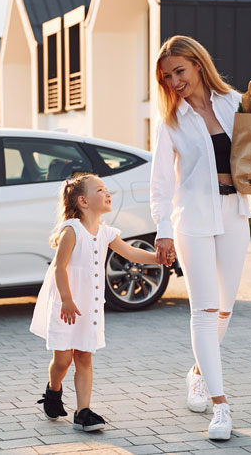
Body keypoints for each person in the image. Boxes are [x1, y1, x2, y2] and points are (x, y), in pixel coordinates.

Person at [150, 35, 251, 440]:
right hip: (191, 218)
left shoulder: (234, 103)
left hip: (234, 213)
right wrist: (163, 233)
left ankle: (196, 372)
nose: (175, 81)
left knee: (226, 308)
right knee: (204, 310)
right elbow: (160, 184)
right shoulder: (170, 121)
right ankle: (220, 405)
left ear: (198, 64)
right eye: (166, 76)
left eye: (180, 71)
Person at [31, 173, 167, 432]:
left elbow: (131, 253)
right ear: (83, 201)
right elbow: (59, 268)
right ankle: (53, 390)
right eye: (101, 190)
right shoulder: (72, 230)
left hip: (89, 306)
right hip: (67, 304)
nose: (108, 194)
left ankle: (83, 412)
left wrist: (158, 258)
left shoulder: (106, 232)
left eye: (107, 190)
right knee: (63, 361)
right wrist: (67, 300)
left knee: (84, 357)